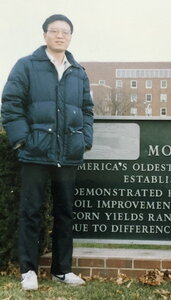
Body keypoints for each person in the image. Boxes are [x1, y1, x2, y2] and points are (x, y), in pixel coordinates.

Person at [1, 14, 94, 290]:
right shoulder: (26, 66)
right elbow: (11, 104)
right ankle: (28, 271)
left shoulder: (78, 71)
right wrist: (23, 142)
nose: (60, 35)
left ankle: (62, 270)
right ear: (45, 35)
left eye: (65, 32)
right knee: (31, 212)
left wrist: (84, 140)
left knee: (65, 213)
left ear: (70, 37)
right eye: (54, 31)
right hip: (35, 153)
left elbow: (88, 110)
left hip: (67, 155)